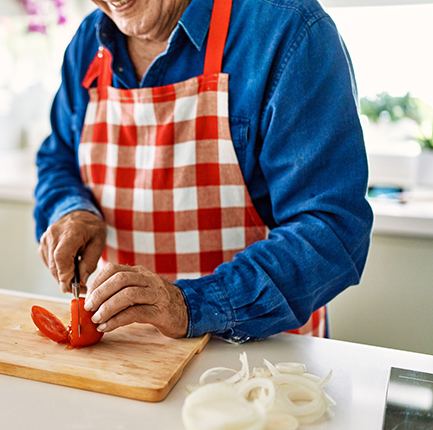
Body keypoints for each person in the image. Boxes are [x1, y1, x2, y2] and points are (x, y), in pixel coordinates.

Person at [33, 0, 373, 343]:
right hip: (130, 356)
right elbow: (58, 159)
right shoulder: (87, 44)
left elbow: (331, 229)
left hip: (261, 367)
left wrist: (189, 305)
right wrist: (72, 210)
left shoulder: (289, 31)